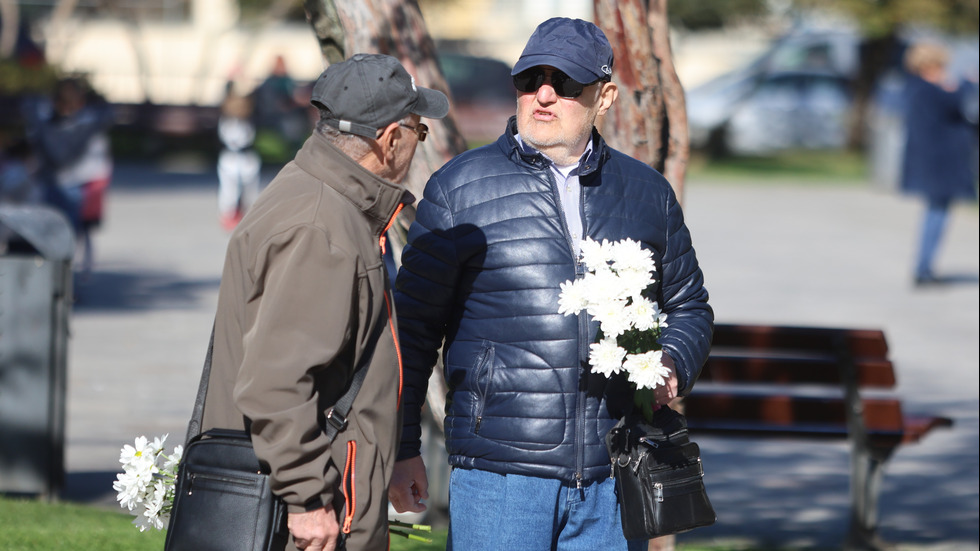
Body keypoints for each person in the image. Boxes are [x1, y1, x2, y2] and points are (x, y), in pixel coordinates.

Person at [389, 17, 713, 551]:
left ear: (603, 97)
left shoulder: (646, 192)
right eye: (529, 79)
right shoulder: (458, 189)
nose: (543, 95)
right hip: (500, 477)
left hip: (613, 477)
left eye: (564, 84)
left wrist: (672, 359)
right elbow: (413, 332)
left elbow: (689, 306)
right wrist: (403, 447)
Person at [200, 53, 448, 551]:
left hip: (333, 484)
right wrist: (308, 499)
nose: (416, 147)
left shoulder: (319, 195)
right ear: (391, 137)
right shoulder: (321, 226)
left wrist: (393, 457)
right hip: (317, 509)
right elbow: (276, 383)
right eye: (419, 132)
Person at [899, 41, 978, 286]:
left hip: (931, 162)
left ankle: (925, 267)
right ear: (930, 65)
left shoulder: (914, 88)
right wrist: (967, 83)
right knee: (937, 213)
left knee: (936, 212)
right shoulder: (930, 90)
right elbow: (955, 104)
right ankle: (924, 269)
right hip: (940, 163)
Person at [22, 77, 113, 278]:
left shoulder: (84, 125)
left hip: (73, 187)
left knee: (64, 235)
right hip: (57, 186)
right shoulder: (83, 123)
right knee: (62, 235)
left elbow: (63, 157)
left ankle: (63, 277)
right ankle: (60, 277)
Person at [216, 85, 262, 230]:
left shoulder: (249, 121)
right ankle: (229, 214)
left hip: (246, 158)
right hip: (231, 158)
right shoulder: (226, 122)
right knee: (229, 190)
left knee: (250, 189)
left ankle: (248, 214)